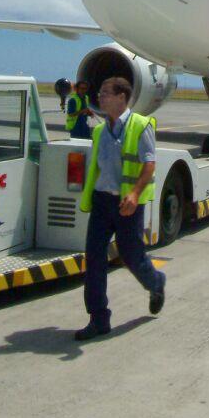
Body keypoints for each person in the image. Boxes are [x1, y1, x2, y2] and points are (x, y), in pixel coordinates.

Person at [75, 75, 166, 340]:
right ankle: (98, 318)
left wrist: (135, 194)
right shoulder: (99, 131)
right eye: (100, 93)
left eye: (105, 92)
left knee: (131, 257)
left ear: (121, 97)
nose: (100, 96)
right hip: (103, 201)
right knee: (93, 258)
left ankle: (156, 282)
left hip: (127, 203)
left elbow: (149, 163)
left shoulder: (140, 125)